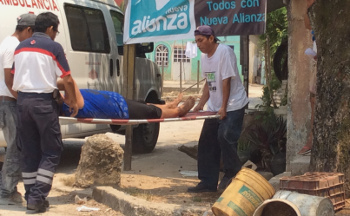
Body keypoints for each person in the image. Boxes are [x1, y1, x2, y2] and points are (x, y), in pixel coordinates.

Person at [12, 12, 79, 213]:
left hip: (23, 103)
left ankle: (31, 195)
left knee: (30, 151)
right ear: (50, 28)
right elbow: (66, 78)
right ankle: (37, 196)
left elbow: (14, 77)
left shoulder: (20, 47)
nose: (56, 34)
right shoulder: (53, 47)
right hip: (43, 104)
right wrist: (73, 100)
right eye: (56, 30)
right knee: (51, 150)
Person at [187, 25, 249, 193]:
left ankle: (232, 175)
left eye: (201, 40)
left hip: (233, 104)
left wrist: (223, 107)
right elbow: (209, 82)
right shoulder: (204, 57)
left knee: (225, 137)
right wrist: (201, 104)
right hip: (215, 106)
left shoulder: (224, 52)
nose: (198, 44)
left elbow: (226, 81)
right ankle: (207, 182)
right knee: (206, 141)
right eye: (196, 41)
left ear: (211, 38)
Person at [0, 13, 36, 205]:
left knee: (14, 146)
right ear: (28, 30)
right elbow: (9, 79)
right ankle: (7, 190)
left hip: (8, 101)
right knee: (15, 147)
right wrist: (22, 100)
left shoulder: (7, 42)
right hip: (9, 102)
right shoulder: (13, 47)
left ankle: (7, 186)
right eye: (33, 34)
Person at [57, 79, 196, 119]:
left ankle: (170, 105)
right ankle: (179, 110)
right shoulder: (71, 105)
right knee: (150, 111)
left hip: (118, 101)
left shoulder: (70, 100)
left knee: (144, 104)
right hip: (120, 110)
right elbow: (68, 81)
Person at [298, 0, 317, 155]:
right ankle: (311, 138)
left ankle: (312, 139)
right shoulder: (316, 12)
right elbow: (307, 25)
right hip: (318, 61)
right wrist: (308, 8)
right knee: (313, 99)